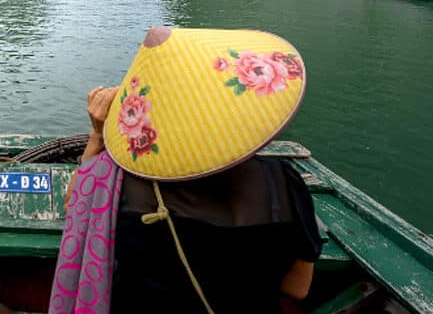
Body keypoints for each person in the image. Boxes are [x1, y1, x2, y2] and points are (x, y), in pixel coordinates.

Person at [49, 26, 323, 314]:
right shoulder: (282, 181)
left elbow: (76, 206)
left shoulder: (119, 178)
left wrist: (97, 137)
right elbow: (298, 288)